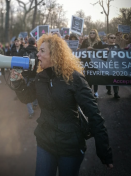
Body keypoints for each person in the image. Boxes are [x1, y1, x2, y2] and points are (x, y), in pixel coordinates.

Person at [10, 34, 113, 176]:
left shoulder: (75, 78)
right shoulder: (40, 78)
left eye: (42, 51)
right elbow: (26, 97)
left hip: (70, 147)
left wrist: (104, 152)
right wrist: (17, 82)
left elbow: (94, 114)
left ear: (55, 54)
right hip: (45, 142)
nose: (37, 54)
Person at [80, 29, 103, 98]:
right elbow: (81, 49)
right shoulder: (85, 41)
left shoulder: (99, 42)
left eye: (94, 33)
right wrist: (84, 48)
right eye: (91, 33)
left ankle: (95, 92)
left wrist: (105, 49)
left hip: (95, 62)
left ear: (96, 34)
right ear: (89, 34)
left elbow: (101, 51)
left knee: (95, 76)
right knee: (88, 76)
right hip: (87, 62)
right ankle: (89, 91)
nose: (92, 34)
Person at [22, 37, 38, 118]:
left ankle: (30, 112)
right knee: (35, 89)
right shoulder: (37, 52)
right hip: (35, 75)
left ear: (28, 43)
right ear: (35, 43)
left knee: (27, 92)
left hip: (26, 75)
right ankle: (35, 104)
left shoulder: (24, 51)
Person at [104, 33, 120, 99]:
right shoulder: (104, 46)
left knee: (115, 78)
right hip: (107, 65)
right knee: (108, 78)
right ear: (108, 39)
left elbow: (121, 54)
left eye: (114, 38)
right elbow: (98, 52)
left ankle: (116, 93)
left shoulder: (117, 46)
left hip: (115, 65)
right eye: (111, 38)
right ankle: (108, 89)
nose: (113, 39)